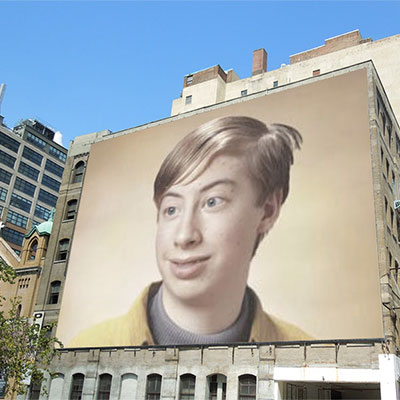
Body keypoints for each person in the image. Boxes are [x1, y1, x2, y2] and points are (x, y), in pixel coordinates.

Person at [70, 116, 310, 347]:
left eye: (213, 202)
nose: (184, 236)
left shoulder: (303, 351)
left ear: (268, 210)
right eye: (172, 209)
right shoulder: (87, 346)